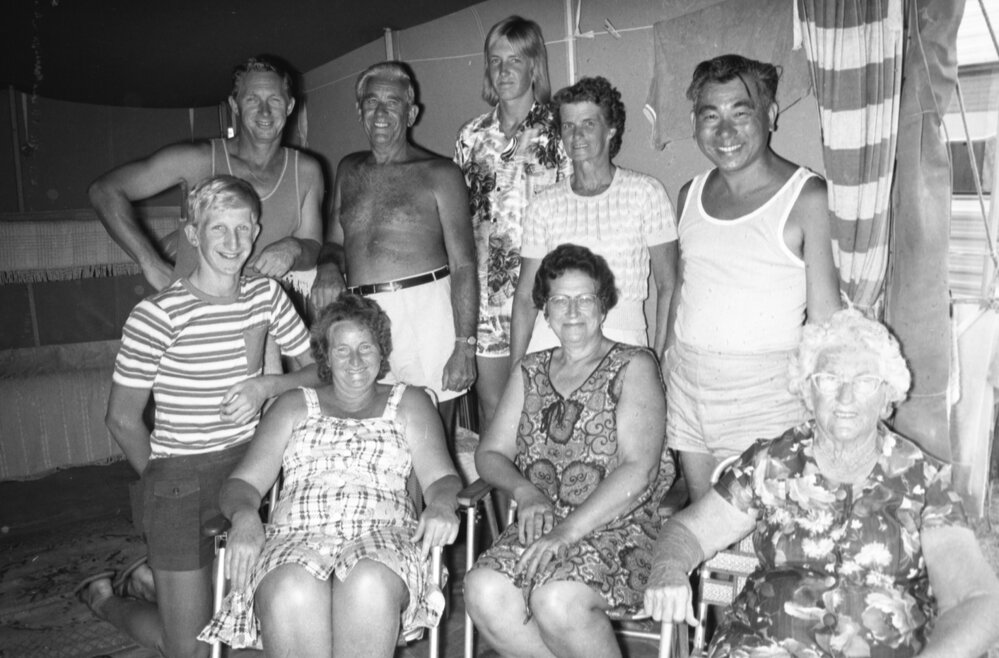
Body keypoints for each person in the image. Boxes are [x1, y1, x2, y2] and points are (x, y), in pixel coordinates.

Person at [644, 308, 999, 657]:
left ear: (888, 398)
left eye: (864, 382)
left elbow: (977, 600)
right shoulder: (772, 463)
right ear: (808, 393)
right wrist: (668, 570)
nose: (845, 398)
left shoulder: (922, 481)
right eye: (828, 381)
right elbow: (687, 532)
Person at [76, 176, 318, 658]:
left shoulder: (266, 295)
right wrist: (163, 483)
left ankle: (158, 582)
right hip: (177, 478)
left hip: (252, 469)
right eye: (218, 229)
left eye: (244, 229)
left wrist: (267, 386)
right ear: (193, 234)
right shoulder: (157, 315)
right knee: (188, 648)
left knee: (252, 627)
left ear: (257, 231)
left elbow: (319, 372)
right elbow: (121, 420)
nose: (233, 243)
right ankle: (106, 600)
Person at [198, 293, 461, 656]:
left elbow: (441, 480)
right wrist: (244, 516)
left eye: (366, 347)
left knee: (367, 580)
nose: (355, 360)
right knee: (292, 586)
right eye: (342, 350)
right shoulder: (293, 405)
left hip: (384, 537)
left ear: (382, 352)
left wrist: (443, 504)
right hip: (297, 536)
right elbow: (242, 483)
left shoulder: (410, 402)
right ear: (325, 357)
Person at [465, 244, 676, 658]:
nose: (574, 310)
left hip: (620, 525)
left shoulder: (635, 365)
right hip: (544, 523)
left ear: (604, 305)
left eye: (585, 299)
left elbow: (639, 470)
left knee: (556, 598)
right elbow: (489, 453)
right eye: (560, 300)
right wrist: (525, 492)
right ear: (545, 310)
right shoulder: (530, 370)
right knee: (484, 589)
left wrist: (566, 533)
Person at [666, 54, 841, 502]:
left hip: (766, 395)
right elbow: (684, 288)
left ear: (771, 115)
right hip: (688, 385)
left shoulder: (806, 196)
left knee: (761, 534)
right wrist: (670, 358)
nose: (725, 133)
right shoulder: (691, 193)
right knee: (704, 522)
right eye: (711, 116)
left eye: (741, 114)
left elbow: (824, 321)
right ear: (694, 122)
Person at [310, 61, 477, 427]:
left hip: (425, 313)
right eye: (372, 102)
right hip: (362, 312)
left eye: (393, 102)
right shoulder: (348, 169)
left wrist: (465, 345)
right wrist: (326, 265)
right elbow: (334, 242)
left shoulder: (441, 174)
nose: (381, 113)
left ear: (411, 111)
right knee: (372, 424)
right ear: (359, 111)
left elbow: (464, 264)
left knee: (430, 430)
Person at [89, 55, 323, 296]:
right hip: (194, 322)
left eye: (274, 100)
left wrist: (293, 248)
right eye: (253, 99)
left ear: (290, 106)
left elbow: (312, 247)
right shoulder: (196, 160)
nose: (265, 112)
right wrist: (151, 263)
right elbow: (105, 191)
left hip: (263, 320)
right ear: (235, 106)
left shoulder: (306, 171)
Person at [510, 76, 678, 368]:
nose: (576, 136)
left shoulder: (645, 192)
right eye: (568, 126)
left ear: (611, 129)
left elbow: (669, 284)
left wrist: (660, 360)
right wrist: (516, 370)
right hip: (552, 342)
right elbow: (525, 296)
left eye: (589, 124)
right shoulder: (544, 204)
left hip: (622, 341)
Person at [454, 15, 571, 429]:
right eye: (494, 60)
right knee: (495, 415)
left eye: (514, 60)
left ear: (534, 66)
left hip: (542, 294)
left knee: (544, 415)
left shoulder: (560, 131)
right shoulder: (470, 137)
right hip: (486, 301)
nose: (503, 70)